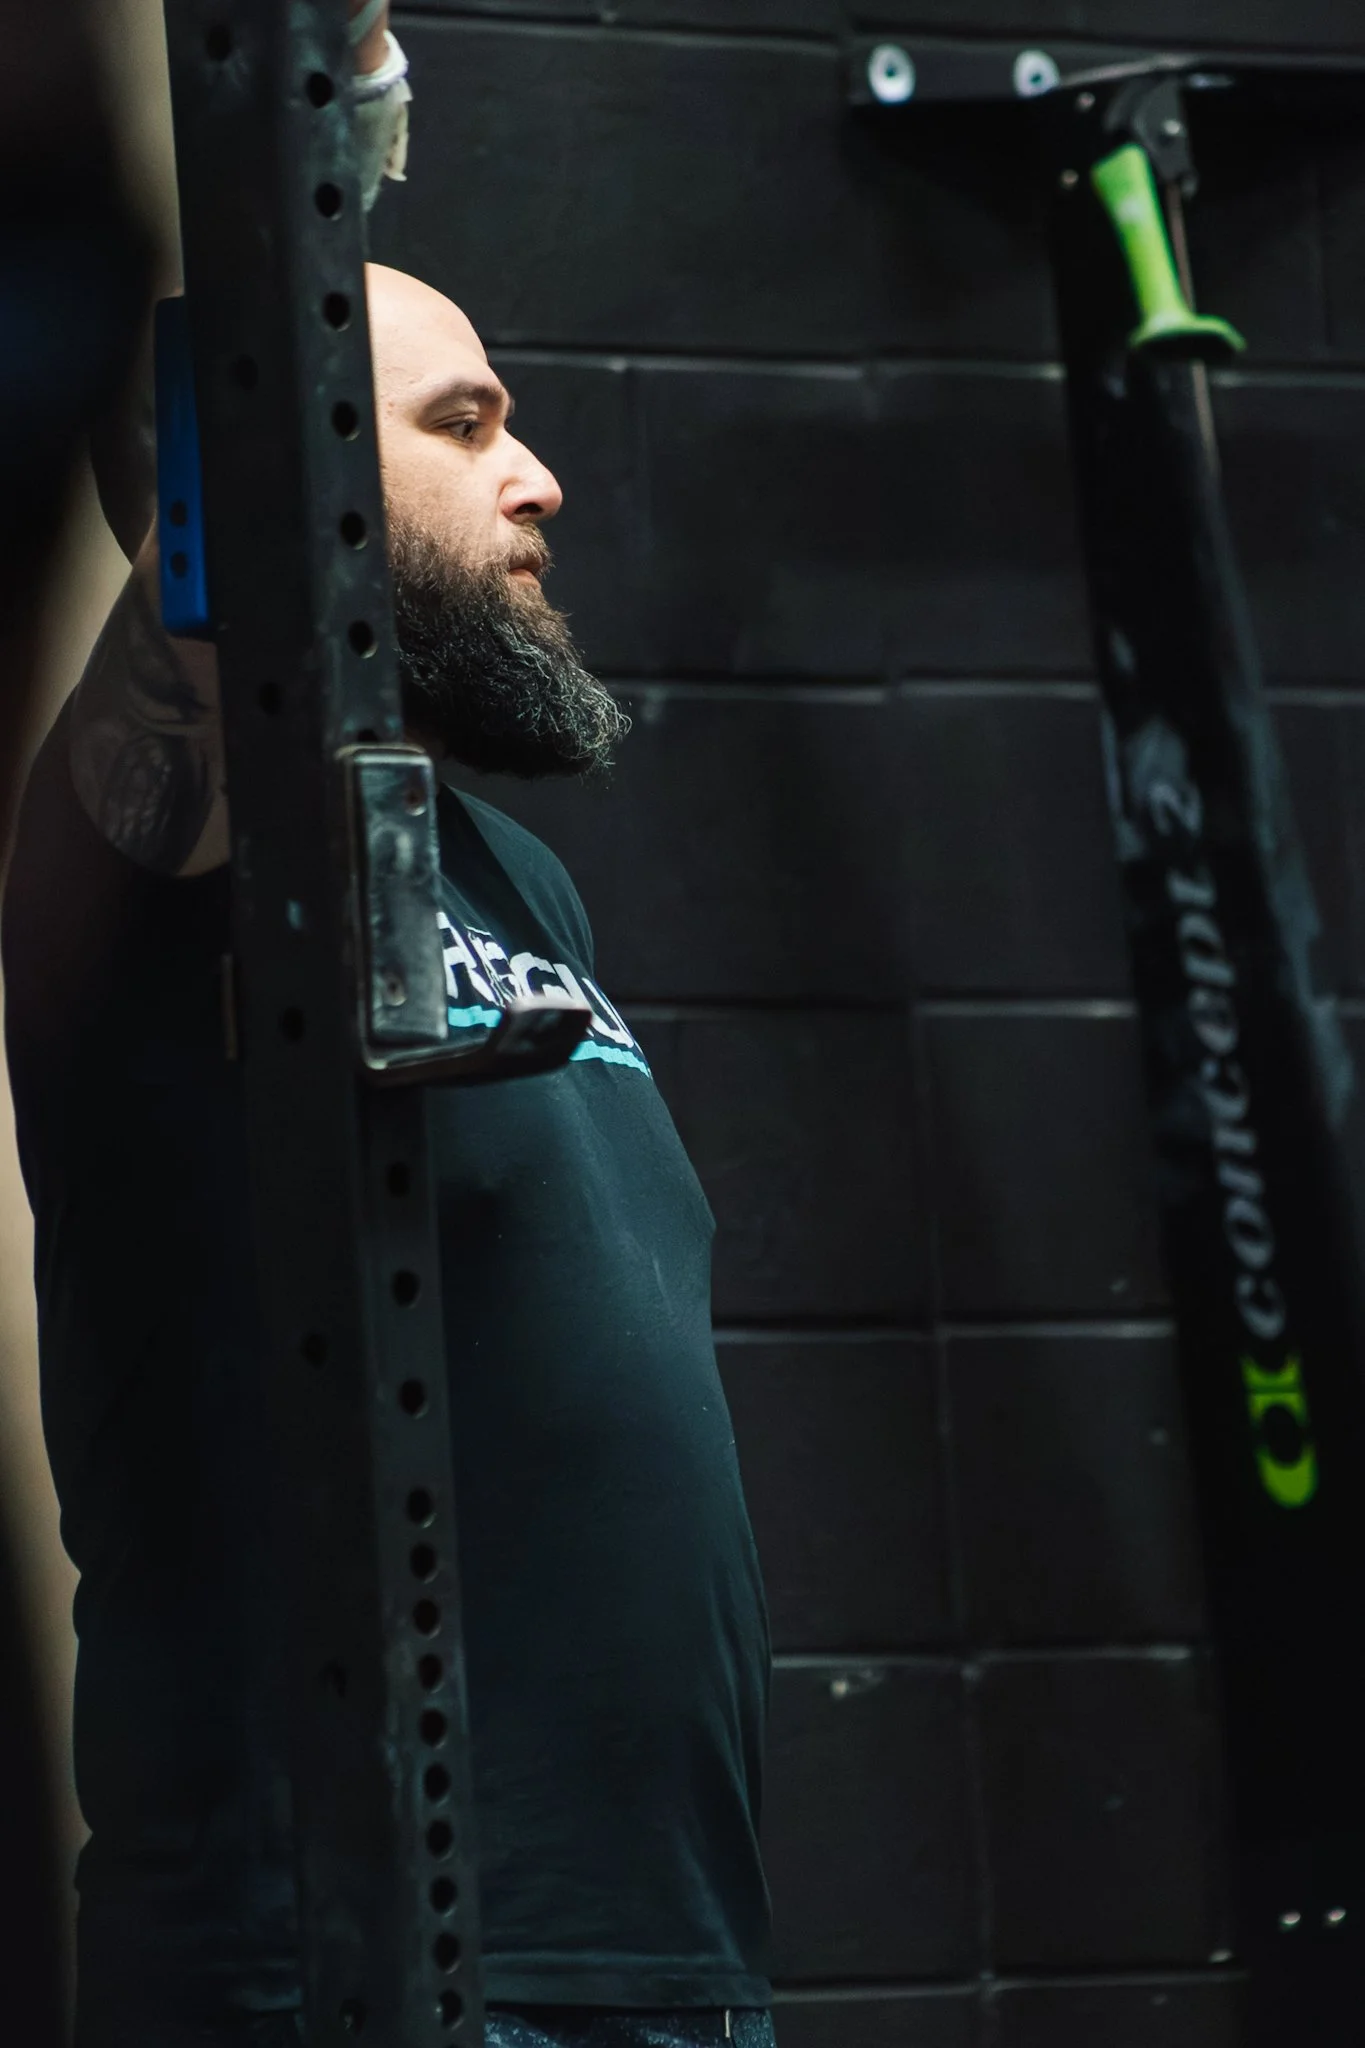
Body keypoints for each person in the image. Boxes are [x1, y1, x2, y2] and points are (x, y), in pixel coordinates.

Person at [0, 9, 774, 2048]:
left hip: (655, 1971)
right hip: (330, 1976)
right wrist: (301, 152)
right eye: (459, 423)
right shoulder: (152, 832)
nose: (535, 477)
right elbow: (191, 497)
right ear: (298, 452)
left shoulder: (519, 889)